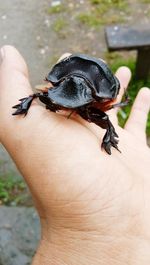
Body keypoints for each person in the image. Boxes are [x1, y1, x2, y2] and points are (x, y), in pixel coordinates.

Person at [0, 45, 150, 265]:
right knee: (39, 97)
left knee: (106, 123)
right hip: (68, 75)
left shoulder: (101, 101)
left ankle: (109, 141)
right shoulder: (57, 85)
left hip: (87, 82)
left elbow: (107, 118)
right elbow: (39, 94)